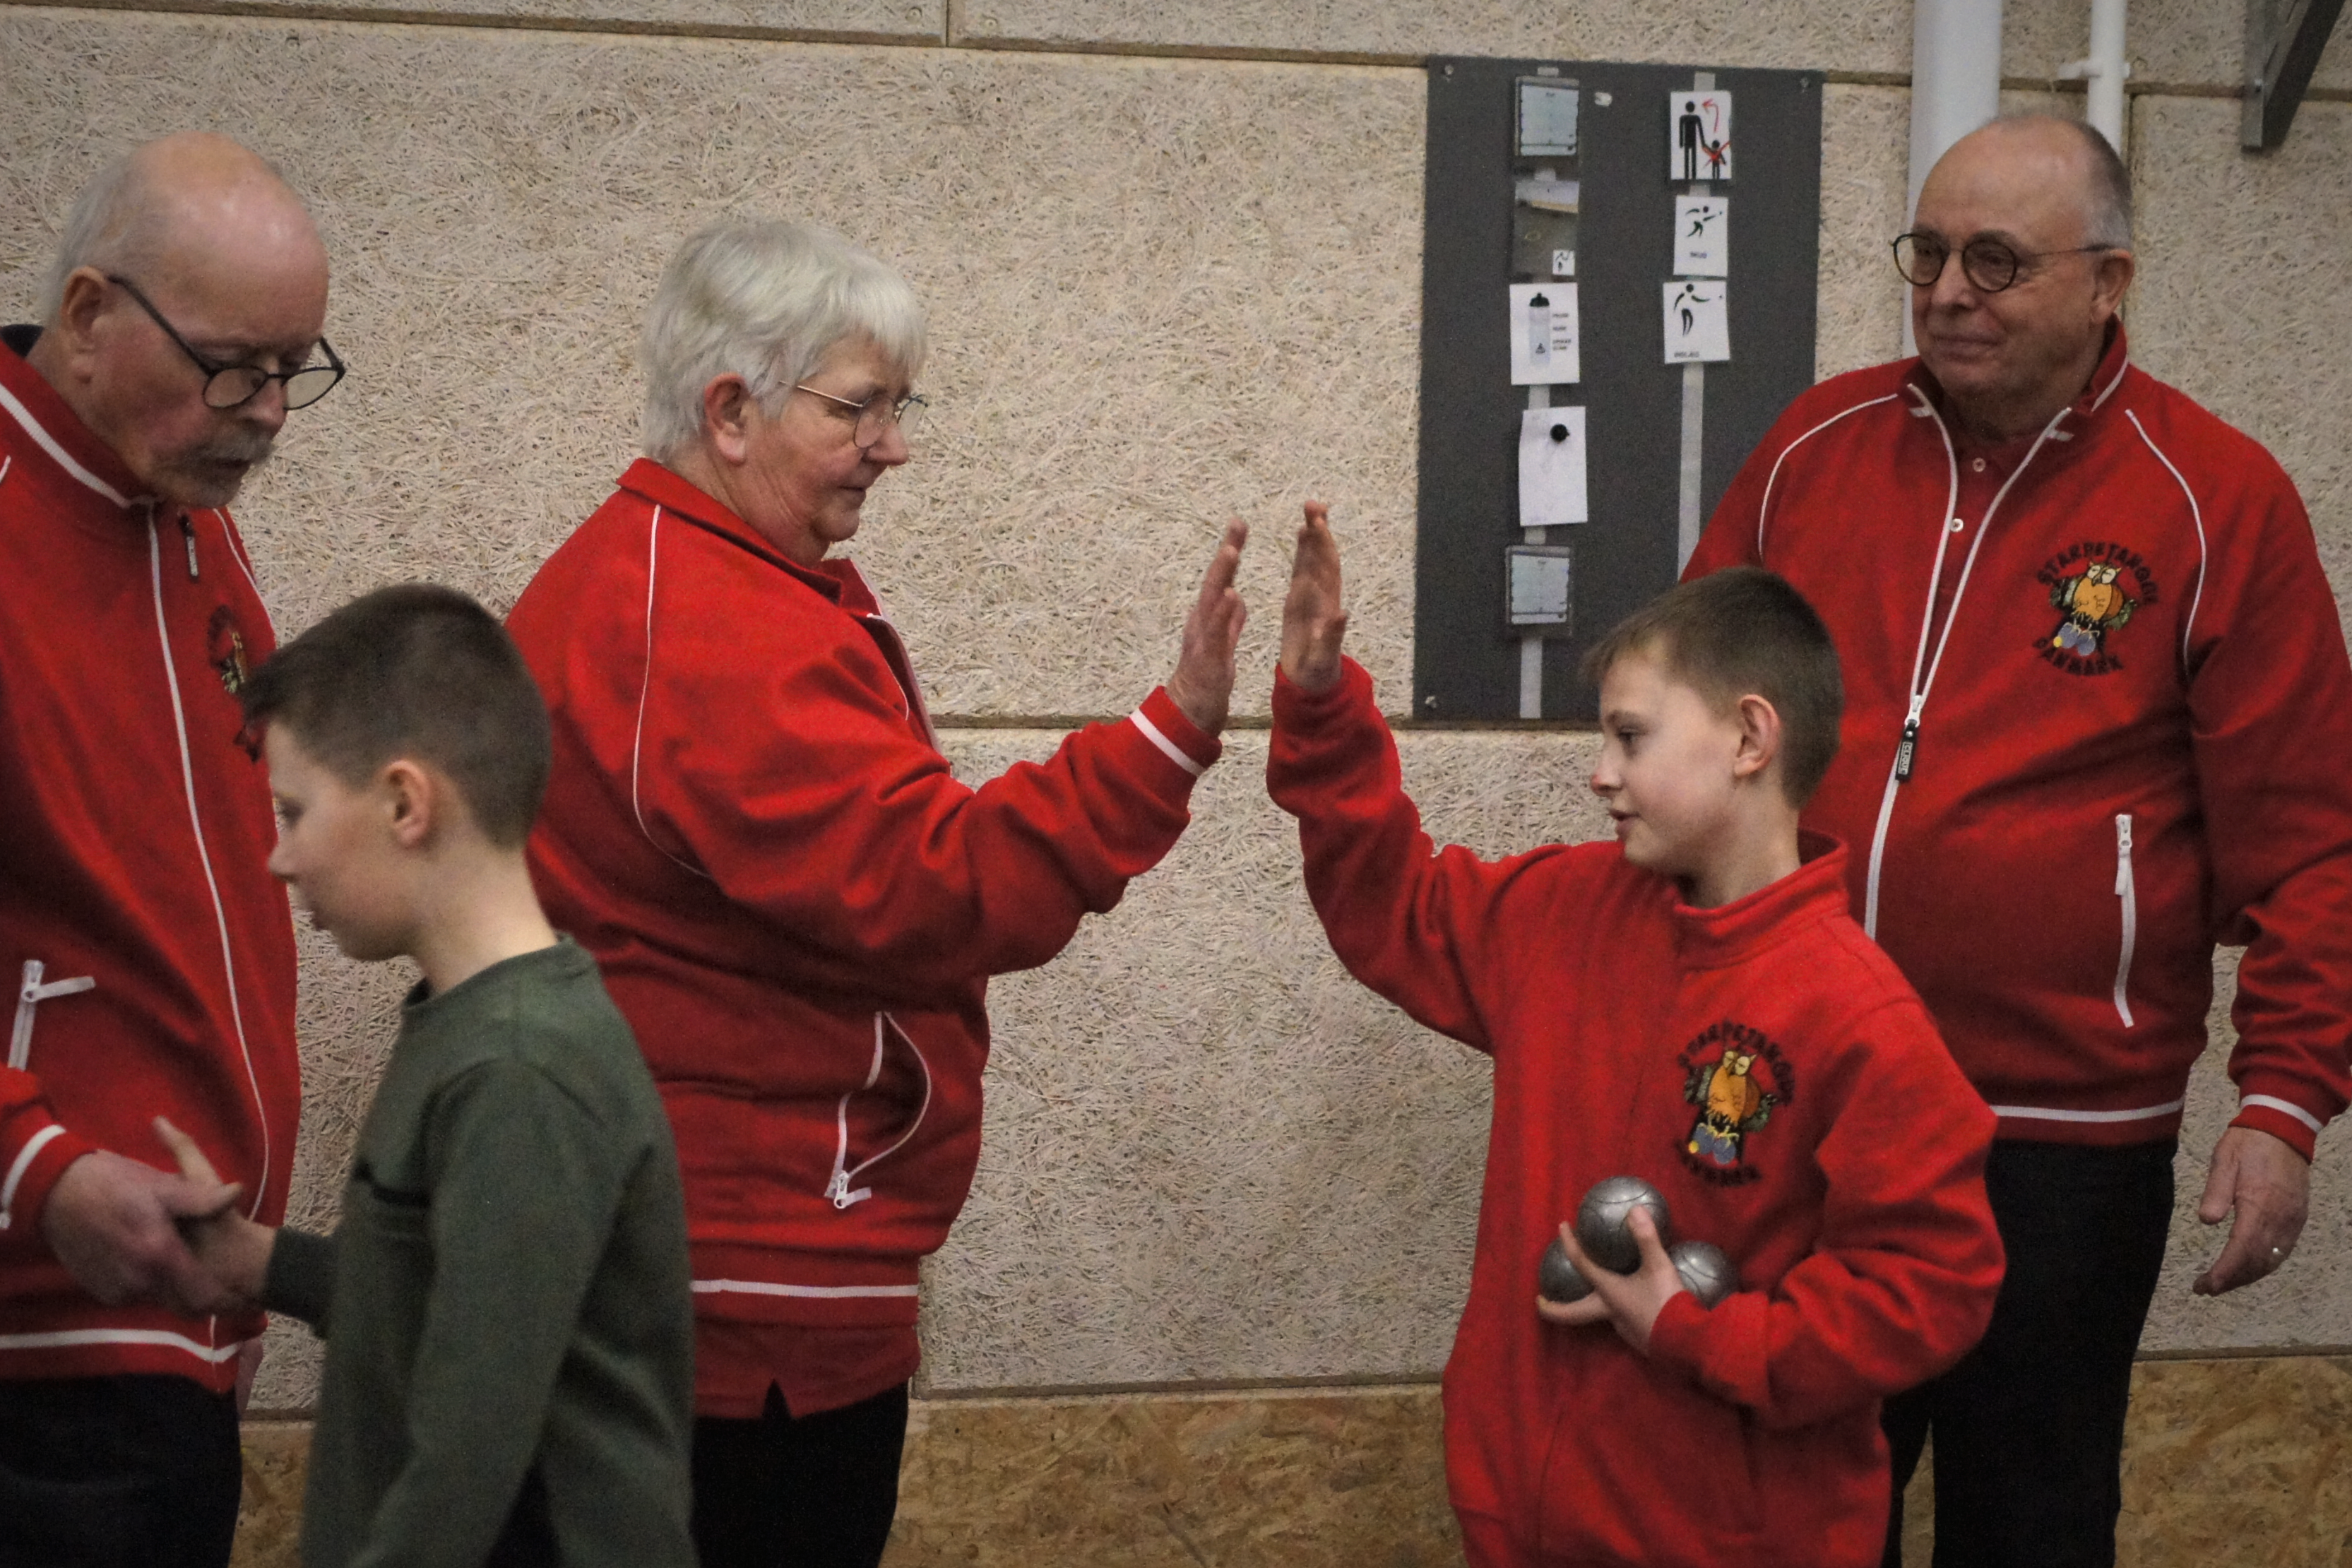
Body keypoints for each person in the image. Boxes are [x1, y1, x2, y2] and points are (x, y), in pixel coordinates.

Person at [505, 218, 1249, 1568]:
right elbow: (936, 886)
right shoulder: (712, 624)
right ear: (730, 411)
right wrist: (1168, 734)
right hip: (730, 1300)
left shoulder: (675, 579)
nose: (894, 445)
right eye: (859, 408)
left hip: (692, 1272)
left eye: (900, 407)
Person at [1683, 114, 2352, 1567]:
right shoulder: (1814, 449)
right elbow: (1684, 722)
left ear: (2109, 281)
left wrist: (2285, 1103)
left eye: (1997, 259)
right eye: (1929, 252)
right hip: (1803, 1107)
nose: (1948, 292)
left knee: (2031, 1527)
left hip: (2057, 1145)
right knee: (1779, 1517)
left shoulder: (2217, 502)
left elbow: (2312, 845)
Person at [1268, 506, 2004, 1568]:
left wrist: (1701, 1334)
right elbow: (1393, 908)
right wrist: (1324, 708)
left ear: (1751, 739)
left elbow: (1930, 1282)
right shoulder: (1561, 910)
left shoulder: (1857, 1013)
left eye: (1630, 737)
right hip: (1523, 1523)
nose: (1599, 774)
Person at [161, 583, 696, 1568]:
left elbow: (467, 1454)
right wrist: (256, 1264)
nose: (278, 859)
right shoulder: (475, 1029)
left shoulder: (522, 1067)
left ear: (406, 802)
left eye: (294, 810)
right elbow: (450, 1305)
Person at [0, 133, 338, 1567]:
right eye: (232, 366)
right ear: (88, 314)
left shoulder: (188, 516)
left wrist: (240, 1299)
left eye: (296, 369)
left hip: (168, 1326)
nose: (265, 412)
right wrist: (36, 1167)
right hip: (35, 1343)